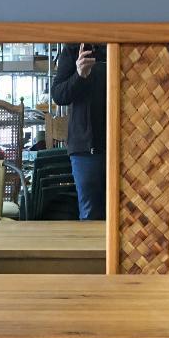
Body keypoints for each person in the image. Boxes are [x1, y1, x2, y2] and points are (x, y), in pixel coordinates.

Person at [51, 43, 106, 220]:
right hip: (85, 147)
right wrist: (80, 75)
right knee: (90, 214)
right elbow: (59, 95)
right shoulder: (74, 48)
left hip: (126, 144)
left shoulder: (124, 46)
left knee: (126, 214)